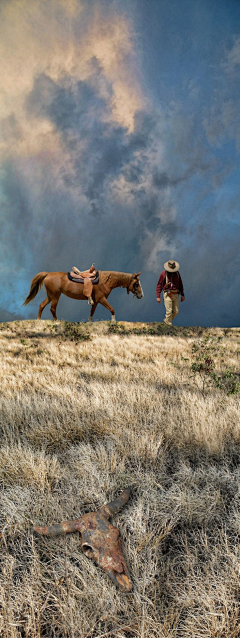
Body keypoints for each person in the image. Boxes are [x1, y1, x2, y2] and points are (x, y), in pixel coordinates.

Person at [156, 259, 185, 326]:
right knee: (169, 311)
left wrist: (182, 295)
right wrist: (158, 296)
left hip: (176, 294)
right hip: (167, 294)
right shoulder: (163, 274)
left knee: (176, 311)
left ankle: (166, 321)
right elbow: (159, 285)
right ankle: (168, 325)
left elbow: (180, 284)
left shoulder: (177, 274)